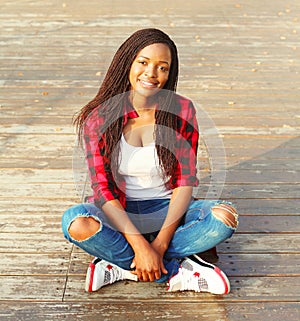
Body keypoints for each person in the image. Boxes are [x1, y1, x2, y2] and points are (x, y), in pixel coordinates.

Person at [62, 28, 238, 295]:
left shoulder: (181, 109)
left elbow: (184, 181)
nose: (152, 74)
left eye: (162, 67)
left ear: (170, 73)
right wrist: (141, 246)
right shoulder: (99, 118)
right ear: (127, 63)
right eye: (143, 62)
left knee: (223, 218)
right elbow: (102, 188)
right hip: (120, 212)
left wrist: (159, 246)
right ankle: (178, 270)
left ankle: (120, 265)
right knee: (76, 222)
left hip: (170, 212)